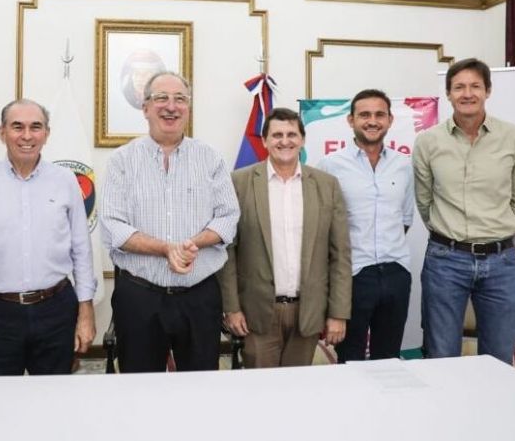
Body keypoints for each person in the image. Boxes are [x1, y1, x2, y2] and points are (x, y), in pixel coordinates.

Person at [100, 72, 240, 372]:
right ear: (145, 108)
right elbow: (113, 225)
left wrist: (192, 244)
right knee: (139, 385)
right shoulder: (121, 160)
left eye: (180, 99)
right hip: (139, 298)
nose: (171, 107)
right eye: (161, 98)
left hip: (199, 297)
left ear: (188, 108)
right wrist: (166, 249)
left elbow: (229, 217)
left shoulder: (210, 159)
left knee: (201, 385)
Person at [0, 99, 96, 375]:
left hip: (57, 310)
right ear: (1, 132)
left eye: (36, 127)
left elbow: (82, 250)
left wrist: (86, 312)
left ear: (47, 133)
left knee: (55, 397)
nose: (27, 136)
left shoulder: (66, 180)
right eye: (17, 127)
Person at [413, 58, 515, 364]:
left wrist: (495, 231)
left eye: (475, 86)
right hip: (445, 261)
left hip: (502, 262)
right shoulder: (428, 142)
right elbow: (425, 202)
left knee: (498, 360)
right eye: (459, 87)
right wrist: (449, 233)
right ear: (448, 93)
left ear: (487, 91)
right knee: (442, 357)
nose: (467, 94)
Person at [218, 107, 351, 368]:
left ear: (302, 140)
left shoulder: (327, 185)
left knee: (299, 386)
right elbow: (227, 251)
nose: (285, 141)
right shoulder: (238, 183)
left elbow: (340, 255)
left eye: (292, 134)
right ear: (265, 141)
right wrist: (231, 308)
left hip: (308, 312)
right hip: (257, 313)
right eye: (277, 135)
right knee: (261, 388)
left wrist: (338, 313)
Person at [317, 90, 414, 363]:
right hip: (353, 276)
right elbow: (323, 227)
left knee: (389, 359)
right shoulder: (330, 165)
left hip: (396, 273)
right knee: (350, 360)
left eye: (379, 114)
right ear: (351, 120)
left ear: (390, 120)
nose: (372, 121)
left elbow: (405, 219)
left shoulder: (404, 165)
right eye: (364, 115)